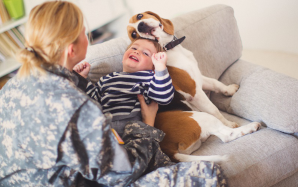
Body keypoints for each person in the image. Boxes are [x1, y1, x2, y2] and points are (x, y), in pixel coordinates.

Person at [0, 1, 227, 186]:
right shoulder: (75, 106)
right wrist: (148, 123)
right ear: (72, 48)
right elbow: (122, 174)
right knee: (207, 174)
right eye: (84, 33)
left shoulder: (11, 86)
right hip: (82, 177)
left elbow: (164, 94)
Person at [74, 38, 174, 137]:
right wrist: (82, 78)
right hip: (105, 125)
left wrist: (160, 67)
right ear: (122, 58)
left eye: (146, 53)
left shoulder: (149, 79)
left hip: (132, 128)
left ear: (153, 67)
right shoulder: (107, 78)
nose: (137, 52)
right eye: (134, 48)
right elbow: (93, 98)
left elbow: (164, 97)